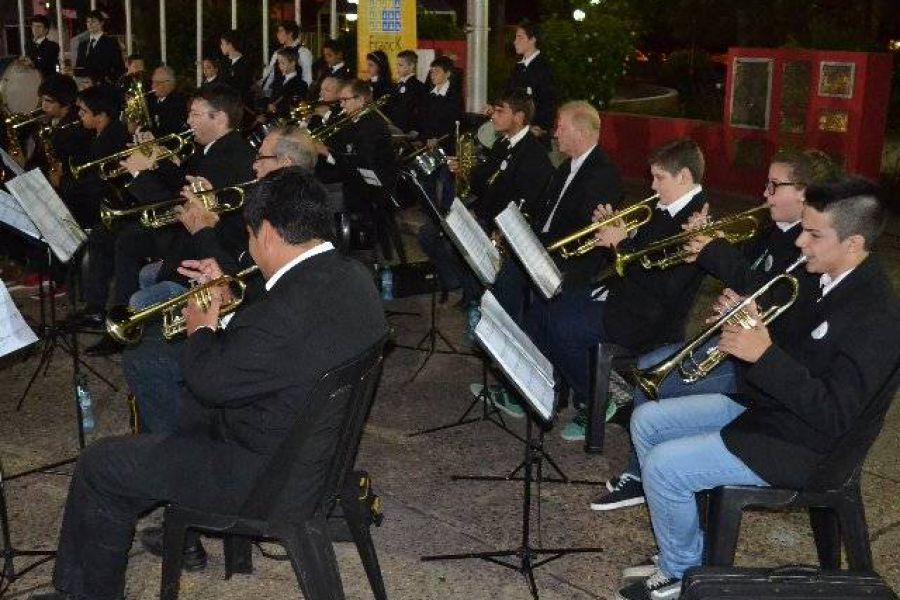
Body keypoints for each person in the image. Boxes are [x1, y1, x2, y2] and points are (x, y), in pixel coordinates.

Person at [31, 166, 389, 600]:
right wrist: (227, 302)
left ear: (270, 233)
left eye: (251, 236)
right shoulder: (353, 277)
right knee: (158, 441)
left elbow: (210, 383)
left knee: (102, 465)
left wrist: (203, 325)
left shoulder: (283, 311)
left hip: (261, 476)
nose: (251, 248)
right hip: (315, 457)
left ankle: (83, 594)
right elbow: (282, 350)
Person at [616, 175, 900, 600]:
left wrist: (762, 354)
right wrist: (749, 320)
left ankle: (681, 570)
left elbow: (836, 414)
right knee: (648, 419)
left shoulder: (877, 316)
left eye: (814, 234)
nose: (801, 242)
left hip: (810, 447)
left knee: (663, 467)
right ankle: (689, 546)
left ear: (854, 244)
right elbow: (792, 347)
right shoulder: (821, 278)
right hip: (772, 411)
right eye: (803, 228)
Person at [592, 148, 840, 511]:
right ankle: (648, 471)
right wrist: (704, 245)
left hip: (754, 368)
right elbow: (743, 275)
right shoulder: (774, 230)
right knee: (651, 372)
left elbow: (769, 288)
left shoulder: (811, 245)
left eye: (774, 185)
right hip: (734, 341)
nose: (765, 193)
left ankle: (644, 478)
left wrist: (714, 252)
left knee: (656, 380)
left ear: (803, 192)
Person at [122, 126, 319, 438]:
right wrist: (212, 216)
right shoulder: (296, 199)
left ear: (285, 163)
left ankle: (180, 449)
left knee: (144, 357)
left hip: (255, 322)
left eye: (261, 158)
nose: (253, 165)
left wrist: (204, 231)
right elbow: (240, 259)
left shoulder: (277, 211)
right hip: (251, 301)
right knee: (152, 325)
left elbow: (246, 275)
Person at [527, 139, 707, 439]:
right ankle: (560, 389)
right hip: (628, 299)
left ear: (685, 177)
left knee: (559, 324)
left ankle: (598, 400)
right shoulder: (669, 207)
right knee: (546, 305)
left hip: (648, 319)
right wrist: (618, 226)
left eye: (659, 178)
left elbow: (663, 283)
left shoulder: (696, 221)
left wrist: (620, 243)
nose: (652, 186)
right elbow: (646, 246)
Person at [474, 101, 622, 417]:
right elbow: (543, 215)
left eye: (561, 127)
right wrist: (516, 233)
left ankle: (533, 386)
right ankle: (522, 380)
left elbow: (585, 236)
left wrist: (532, 245)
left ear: (582, 132)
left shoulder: (603, 173)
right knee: (502, 287)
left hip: (573, 264)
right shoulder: (565, 167)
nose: (555, 133)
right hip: (546, 253)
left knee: (514, 295)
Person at [315, 79, 397, 262]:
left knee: (325, 199)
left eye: (345, 100)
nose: (341, 104)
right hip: (356, 182)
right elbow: (342, 149)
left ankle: (345, 254)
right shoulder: (355, 121)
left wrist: (326, 153)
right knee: (321, 190)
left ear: (361, 100)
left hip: (372, 188)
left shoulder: (371, 124)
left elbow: (360, 161)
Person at [505, 20, 556, 139]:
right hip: (515, 132)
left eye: (520, 37)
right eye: (515, 38)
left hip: (534, 136)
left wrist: (541, 127)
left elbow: (549, 102)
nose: (515, 42)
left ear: (532, 39)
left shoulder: (544, 68)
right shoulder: (517, 68)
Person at [260, 20, 313, 97]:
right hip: (276, 94)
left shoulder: (303, 52)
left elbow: (307, 78)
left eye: (281, 31)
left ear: (290, 33)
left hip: (293, 95)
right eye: (278, 31)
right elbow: (271, 74)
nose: (277, 34)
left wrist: (298, 95)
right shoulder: (277, 52)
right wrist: (265, 92)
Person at [73, 10, 125, 85]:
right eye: (88, 21)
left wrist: (104, 81)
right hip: (85, 87)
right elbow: (79, 66)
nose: (90, 24)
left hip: (104, 86)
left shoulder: (110, 42)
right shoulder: (83, 44)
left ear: (101, 23)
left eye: (93, 21)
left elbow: (119, 67)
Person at [387, 49, 426, 135]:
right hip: (394, 130)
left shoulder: (418, 87)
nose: (397, 68)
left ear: (411, 66)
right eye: (397, 64)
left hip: (408, 132)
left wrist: (416, 129)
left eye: (400, 65)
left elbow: (421, 111)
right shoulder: (396, 86)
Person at [265, 48, 308, 119]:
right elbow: (270, 97)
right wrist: (267, 105)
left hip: (286, 120)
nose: (280, 66)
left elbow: (295, 106)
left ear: (293, 63)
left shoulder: (300, 85)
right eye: (279, 63)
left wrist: (276, 109)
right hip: (271, 118)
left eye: (283, 63)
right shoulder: (277, 81)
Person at [147, 65, 188, 137]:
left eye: (157, 82)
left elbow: (171, 130)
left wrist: (151, 136)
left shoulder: (178, 102)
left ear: (167, 84)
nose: (153, 86)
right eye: (153, 82)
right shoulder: (151, 100)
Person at [219, 30, 254, 106]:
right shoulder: (225, 64)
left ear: (230, 45)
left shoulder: (245, 64)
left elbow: (243, 87)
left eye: (222, 44)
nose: (221, 46)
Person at [25, 14, 60, 79]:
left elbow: (45, 62)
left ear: (46, 30)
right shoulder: (28, 45)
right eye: (33, 26)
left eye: (39, 27)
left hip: (47, 80)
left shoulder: (52, 46)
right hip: (30, 80)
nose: (35, 29)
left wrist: (32, 62)